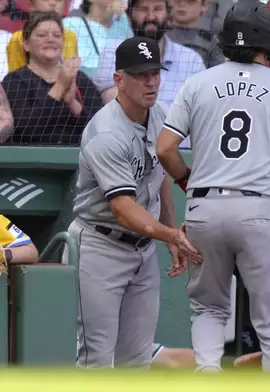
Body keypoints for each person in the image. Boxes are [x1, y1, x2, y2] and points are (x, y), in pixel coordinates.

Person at [155, 0, 270, 373]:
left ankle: (208, 376)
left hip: (203, 208)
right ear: (268, 36)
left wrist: (187, 180)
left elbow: (165, 148)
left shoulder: (198, 81)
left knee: (208, 308)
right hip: (256, 209)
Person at [65, 36, 201, 369]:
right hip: (100, 247)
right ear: (118, 80)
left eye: (154, 72)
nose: (150, 81)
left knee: (136, 360)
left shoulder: (158, 116)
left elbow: (159, 176)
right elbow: (123, 210)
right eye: (141, 74)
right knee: (96, 358)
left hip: (141, 250)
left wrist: (168, 229)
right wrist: (170, 236)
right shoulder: (107, 132)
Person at [2, 11, 102, 145]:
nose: (50, 39)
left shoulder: (80, 79)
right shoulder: (14, 80)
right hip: (31, 161)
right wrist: (59, 87)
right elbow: (24, 129)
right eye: (42, 35)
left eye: (57, 35)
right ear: (26, 44)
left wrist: (73, 103)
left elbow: (100, 130)